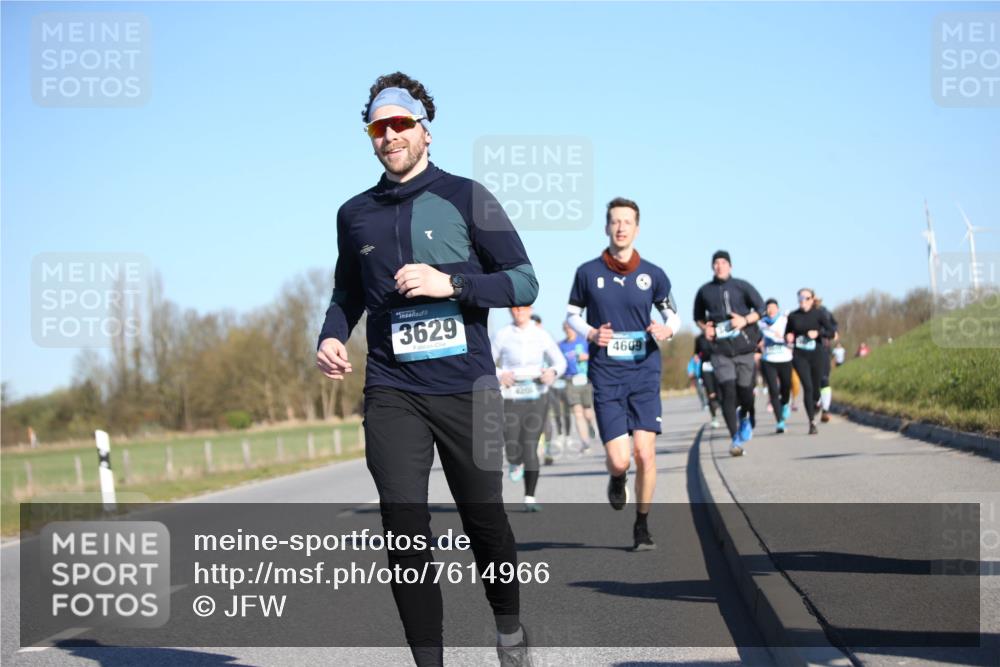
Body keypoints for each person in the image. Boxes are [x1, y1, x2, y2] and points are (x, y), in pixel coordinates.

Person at [315, 72, 536, 667]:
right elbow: (346, 293)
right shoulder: (354, 214)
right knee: (403, 526)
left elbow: (523, 282)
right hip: (393, 389)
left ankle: (509, 633)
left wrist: (452, 284)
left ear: (425, 131)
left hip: (468, 386)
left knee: (484, 521)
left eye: (400, 124)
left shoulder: (468, 196)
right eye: (378, 128)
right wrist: (332, 334)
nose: (389, 136)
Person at [566, 197, 680, 551]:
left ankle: (642, 525)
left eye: (627, 221)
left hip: (644, 371)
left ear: (637, 229)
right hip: (606, 374)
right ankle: (618, 478)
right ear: (606, 227)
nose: (620, 227)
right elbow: (571, 315)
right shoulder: (588, 273)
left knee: (645, 453)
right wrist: (590, 333)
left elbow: (672, 315)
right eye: (615, 221)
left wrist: (667, 329)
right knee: (620, 459)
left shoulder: (653, 274)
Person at [493, 306, 566, 509]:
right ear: (510, 311)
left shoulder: (541, 334)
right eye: (514, 309)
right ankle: (514, 462)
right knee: (512, 446)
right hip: (510, 396)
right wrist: (500, 374)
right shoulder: (502, 334)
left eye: (522, 308)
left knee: (530, 445)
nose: (519, 312)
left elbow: (560, 362)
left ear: (530, 309)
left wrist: (552, 372)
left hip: (537, 395)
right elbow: (485, 361)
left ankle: (530, 497)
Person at [693, 250, 765, 456]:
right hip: (720, 350)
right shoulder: (705, 291)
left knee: (745, 393)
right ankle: (735, 440)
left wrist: (744, 320)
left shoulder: (742, 286)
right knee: (727, 392)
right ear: (712, 266)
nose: (720, 266)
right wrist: (705, 328)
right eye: (716, 263)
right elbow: (698, 316)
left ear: (730, 266)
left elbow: (761, 309)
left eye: (723, 262)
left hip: (744, 348)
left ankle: (746, 415)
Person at [785, 288, 836, 435]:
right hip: (799, 356)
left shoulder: (819, 314)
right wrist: (788, 337)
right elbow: (787, 333)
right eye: (800, 298)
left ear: (812, 300)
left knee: (815, 388)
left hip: (817, 354)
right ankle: (812, 422)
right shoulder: (793, 316)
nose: (803, 301)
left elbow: (831, 332)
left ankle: (816, 402)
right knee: (807, 387)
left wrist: (818, 333)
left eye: (806, 298)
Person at [559, 321, 597, 452]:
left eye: (570, 327)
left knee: (587, 412)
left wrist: (587, 357)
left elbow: (595, 356)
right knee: (578, 413)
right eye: (566, 328)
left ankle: (590, 424)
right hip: (570, 381)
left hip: (585, 380)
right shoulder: (561, 345)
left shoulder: (584, 341)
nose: (568, 330)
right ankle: (585, 442)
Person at [758, 299, 793, 433]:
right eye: (768, 308)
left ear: (778, 309)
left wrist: (786, 337)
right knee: (773, 390)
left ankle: (785, 404)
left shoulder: (785, 320)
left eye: (773, 307)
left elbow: (793, 335)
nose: (771, 310)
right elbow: (756, 337)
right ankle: (780, 421)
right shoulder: (761, 323)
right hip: (769, 359)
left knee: (786, 388)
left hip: (785, 358)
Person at [813, 296, 839, 423]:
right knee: (813, 381)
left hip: (823, 348)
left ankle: (826, 410)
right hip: (807, 352)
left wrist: (834, 332)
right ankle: (817, 402)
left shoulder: (825, 312)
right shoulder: (802, 314)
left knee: (824, 380)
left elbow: (833, 327)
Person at [695, 334, 721, 429]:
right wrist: (697, 356)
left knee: (720, 393)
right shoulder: (699, 338)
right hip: (706, 368)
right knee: (711, 394)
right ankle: (714, 417)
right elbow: (697, 353)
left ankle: (722, 407)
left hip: (719, 366)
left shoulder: (718, 334)